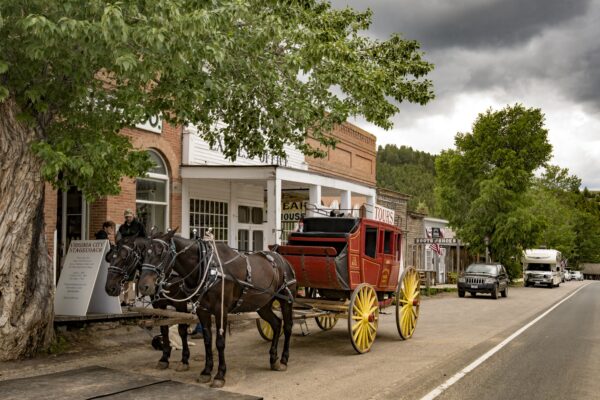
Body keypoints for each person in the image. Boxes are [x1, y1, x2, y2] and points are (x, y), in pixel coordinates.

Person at [117, 209, 146, 306]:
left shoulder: (139, 225)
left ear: (133, 216)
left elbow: (145, 238)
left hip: (137, 252)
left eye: (129, 216)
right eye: (126, 217)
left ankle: (134, 298)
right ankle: (126, 299)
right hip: (125, 253)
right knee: (126, 277)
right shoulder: (122, 227)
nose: (128, 218)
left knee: (134, 276)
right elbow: (119, 239)